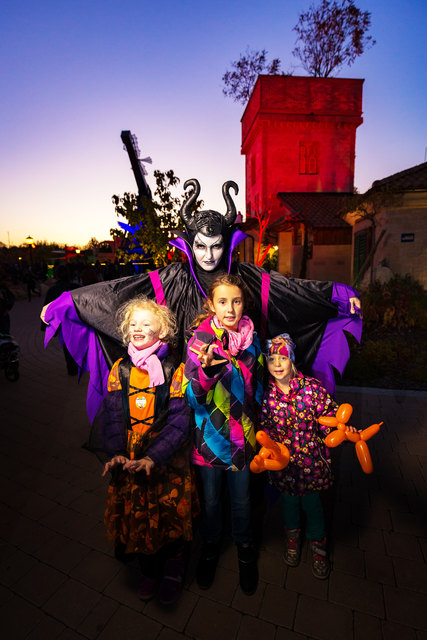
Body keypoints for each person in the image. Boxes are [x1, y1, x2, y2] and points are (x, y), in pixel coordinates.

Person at [41, 178, 362, 424]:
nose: (209, 255)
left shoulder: (248, 277)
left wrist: (340, 297)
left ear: (228, 244)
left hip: (239, 399)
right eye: (201, 247)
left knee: (239, 487)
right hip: (188, 397)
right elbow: (119, 291)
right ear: (189, 245)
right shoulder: (170, 278)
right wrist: (68, 302)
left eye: (217, 246)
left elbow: (292, 291)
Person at [93, 296, 199, 605]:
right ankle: (150, 570)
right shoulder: (119, 369)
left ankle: (174, 569)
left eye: (147, 323)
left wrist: (155, 456)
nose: (139, 328)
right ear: (126, 330)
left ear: (162, 331)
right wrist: (115, 452)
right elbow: (112, 415)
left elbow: (180, 421)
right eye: (133, 324)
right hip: (130, 454)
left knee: (169, 512)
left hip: (167, 458)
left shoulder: (175, 370)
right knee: (139, 513)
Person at [183, 273, 264, 595]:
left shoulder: (253, 339)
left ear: (245, 303)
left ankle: (245, 551)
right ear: (211, 304)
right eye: (222, 301)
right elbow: (192, 398)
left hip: (244, 439)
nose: (230, 309)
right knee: (213, 501)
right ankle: (211, 547)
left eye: (236, 300)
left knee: (243, 501)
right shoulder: (200, 341)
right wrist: (207, 372)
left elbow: (257, 387)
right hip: (211, 439)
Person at [258, 333, 358, 580]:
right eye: (272, 359)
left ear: (292, 359)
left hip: (311, 463)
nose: (278, 364)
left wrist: (343, 429)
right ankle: (293, 541)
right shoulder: (266, 395)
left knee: (313, 506)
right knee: (290, 505)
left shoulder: (312, 388)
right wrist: (268, 448)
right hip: (285, 467)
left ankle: (318, 546)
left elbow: (329, 417)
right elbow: (266, 426)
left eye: (283, 357)